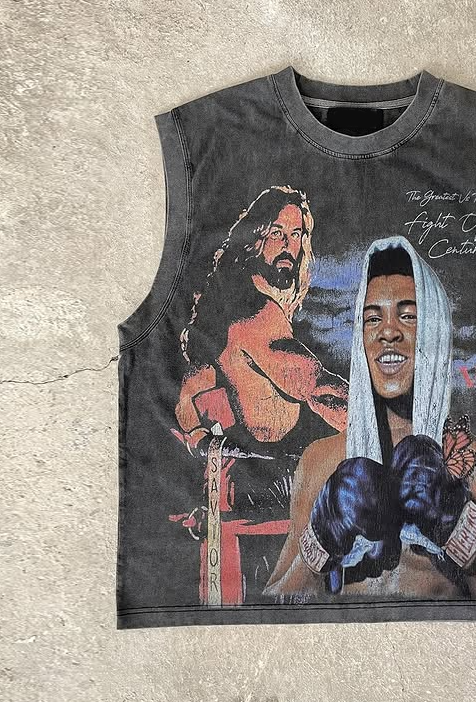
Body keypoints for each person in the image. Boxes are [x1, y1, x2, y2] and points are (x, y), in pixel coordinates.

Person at [263, 235, 476, 602]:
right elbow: (278, 603)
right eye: (373, 318)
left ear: (435, 330)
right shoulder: (320, 461)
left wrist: (458, 522)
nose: (388, 332)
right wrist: (321, 538)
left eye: (408, 316)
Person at [170, 185, 349, 602]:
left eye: (297, 234)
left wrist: (200, 439)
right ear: (255, 239)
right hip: (272, 504)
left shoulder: (226, 311)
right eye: (277, 233)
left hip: (249, 498)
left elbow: (189, 395)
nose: (289, 245)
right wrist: (398, 425)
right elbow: (320, 390)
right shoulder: (259, 318)